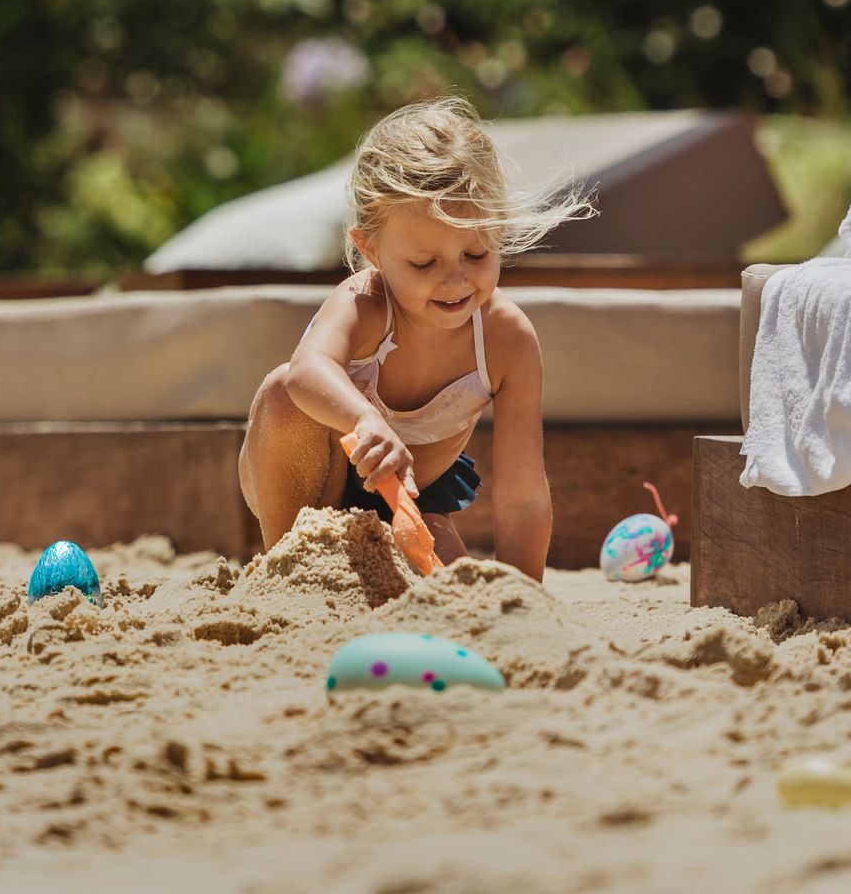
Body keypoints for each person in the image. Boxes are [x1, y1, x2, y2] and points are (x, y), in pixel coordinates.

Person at [239, 97, 589, 582]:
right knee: (282, 392)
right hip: (310, 485)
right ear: (371, 248)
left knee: (447, 589)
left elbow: (522, 495)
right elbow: (305, 374)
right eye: (424, 264)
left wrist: (522, 601)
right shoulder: (364, 305)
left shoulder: (506, 340)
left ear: (499, 231)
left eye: (476, 253)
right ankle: (286, 575)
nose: (455, 281)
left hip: (411, 501)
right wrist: (364, 419)